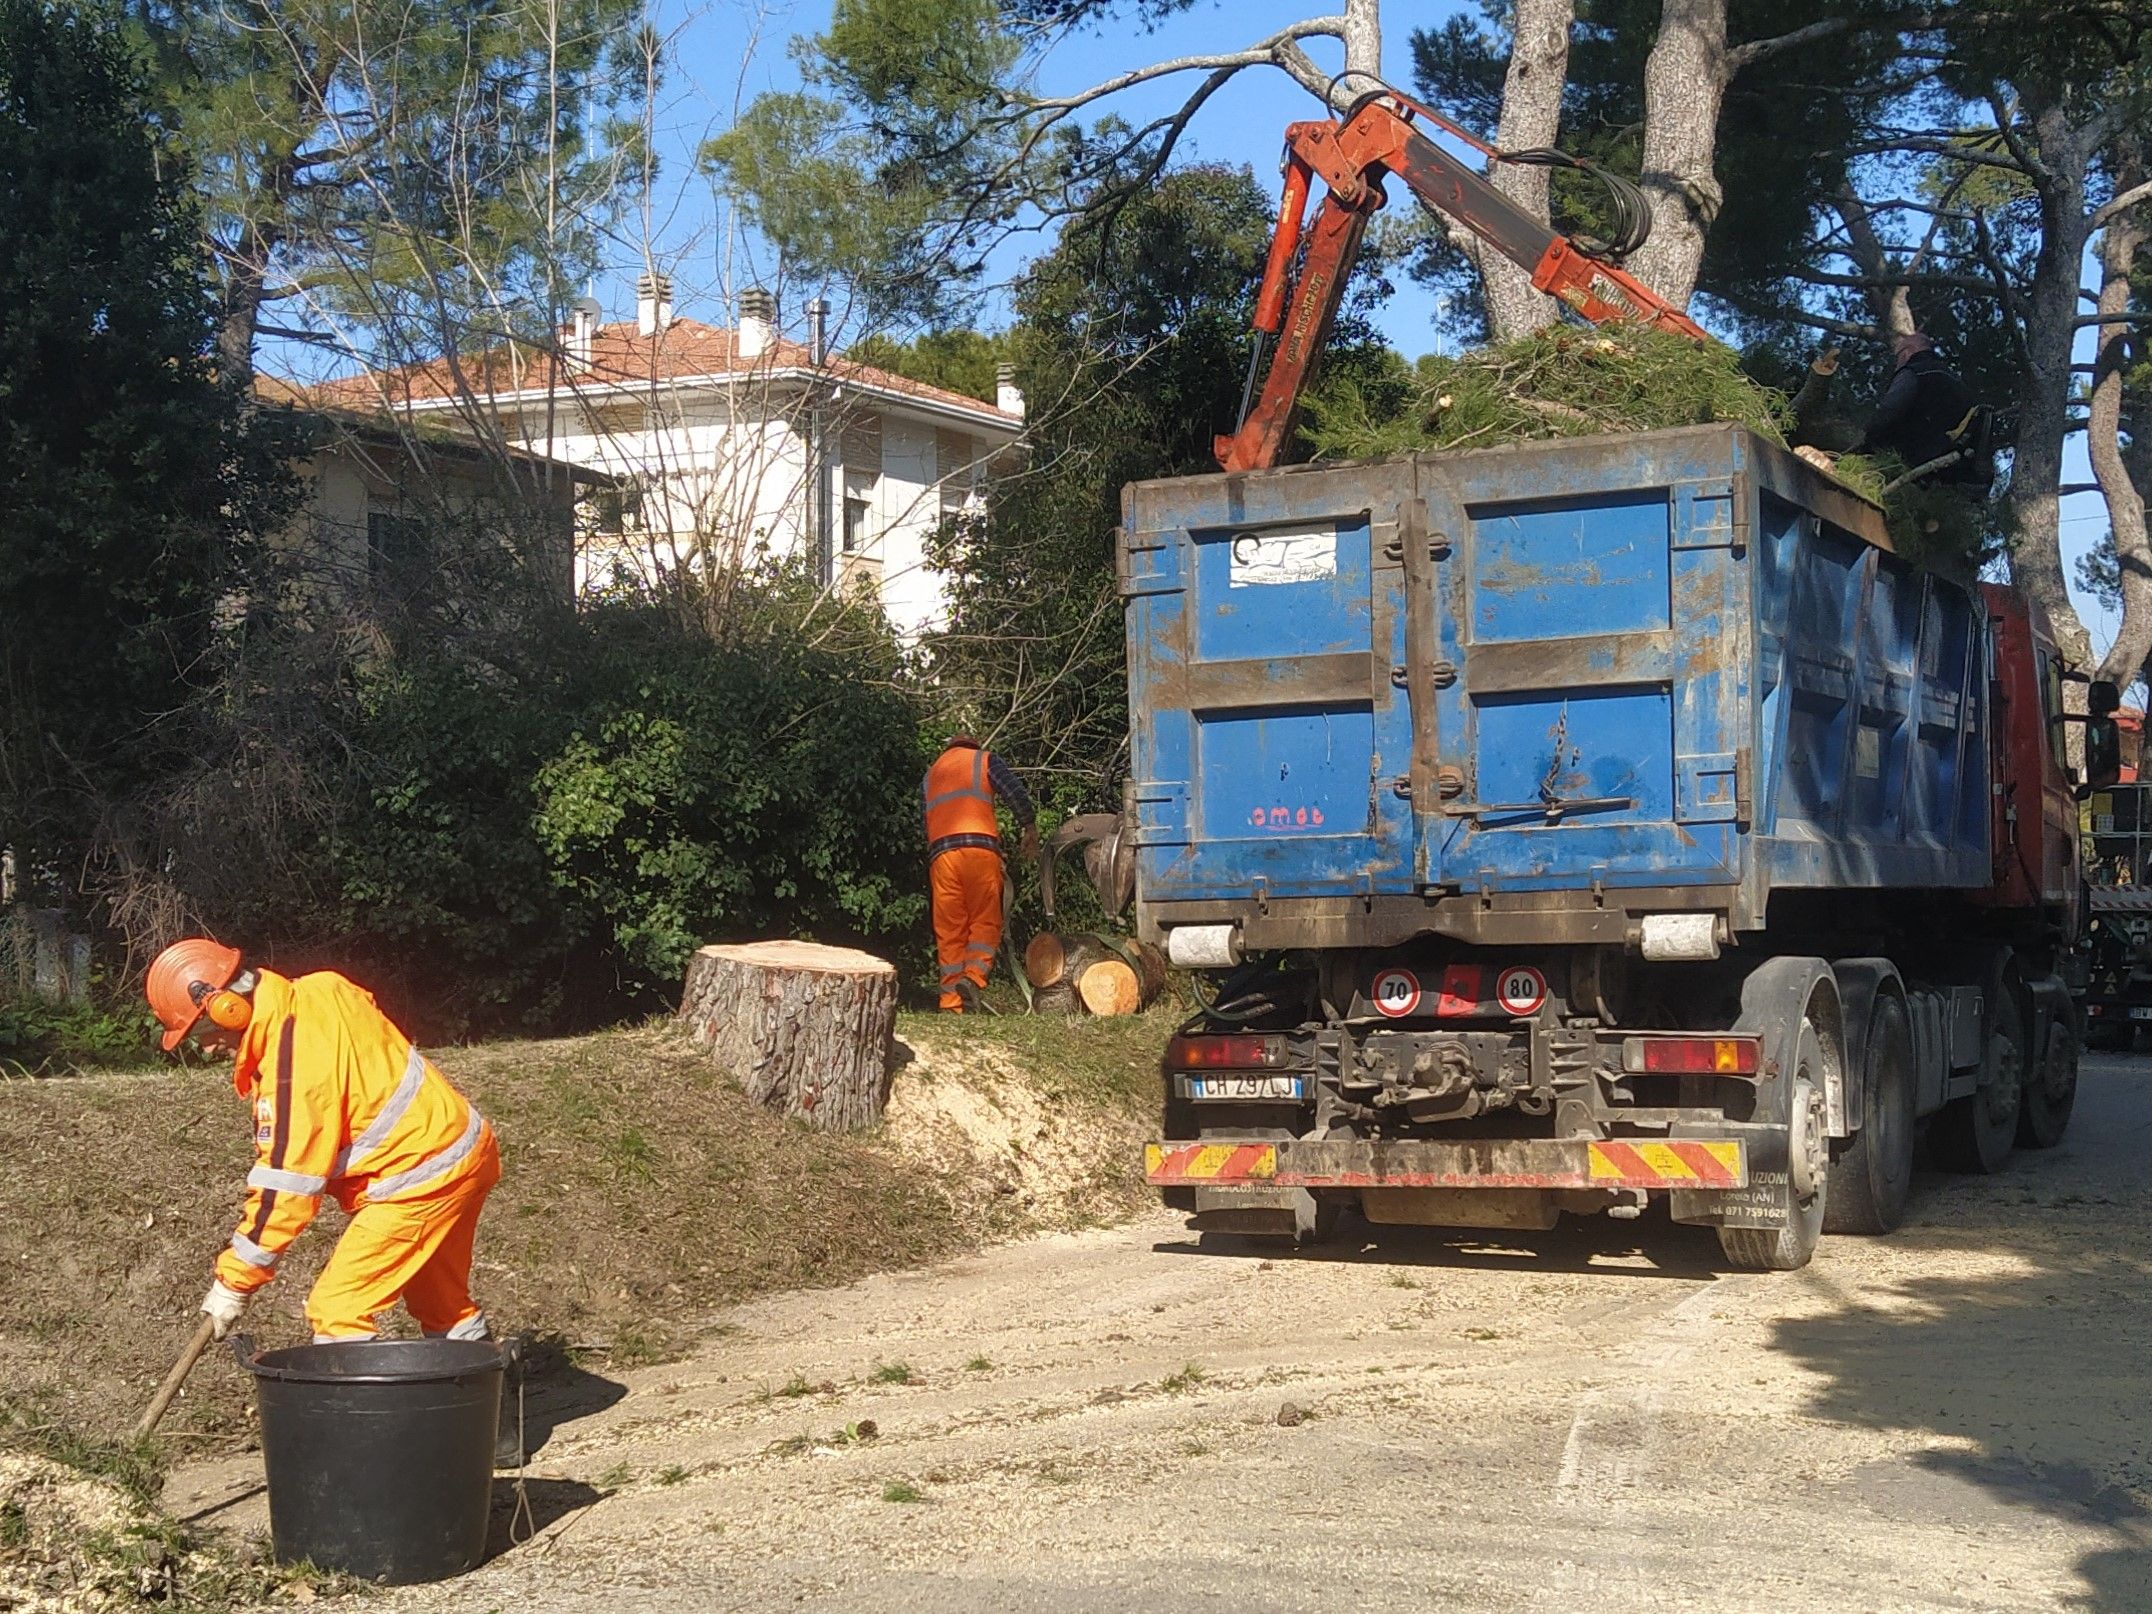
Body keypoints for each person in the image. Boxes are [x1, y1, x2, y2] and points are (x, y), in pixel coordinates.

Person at [146, 938, 501, 1347]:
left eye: (203, 1031)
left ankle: (360, 1412)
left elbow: (287, 1188)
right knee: (439, 1299)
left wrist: (233, 1284)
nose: (206, 1047)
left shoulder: (291, 1072)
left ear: (230, 1007)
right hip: (465, 1148)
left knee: (338, 1310)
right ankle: (481, 1400)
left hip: (421, 1176)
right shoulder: (324, 987)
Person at [922, 734, 1037, 1012]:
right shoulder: (984, 760)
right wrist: (1029, 825)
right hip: (979, 851)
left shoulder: (930, 775)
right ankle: (972, 977)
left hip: (942, 857)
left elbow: (923, 822)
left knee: (950, 931)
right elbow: (1014, 791)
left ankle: (951, 1003)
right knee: (985, 921)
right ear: (974, 745)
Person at [1855, 331, 1989, 488]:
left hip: (1913, 458)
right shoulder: (1957, 381)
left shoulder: (1914, 372)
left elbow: (1888, 411)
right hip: (1953, 466)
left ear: (1907, 352)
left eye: (1898, 356)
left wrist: (1864, 440)